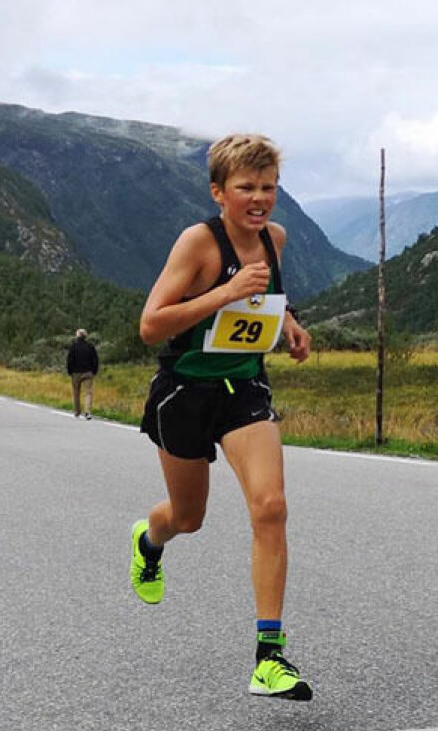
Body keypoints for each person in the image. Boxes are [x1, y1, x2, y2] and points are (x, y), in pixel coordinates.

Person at [133, 133, 313, 701]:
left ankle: (269, 657)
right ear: (219, 192)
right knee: (188, 517)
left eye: (268, 187)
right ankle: (149, 541)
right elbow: (151, 325)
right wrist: (227, 291)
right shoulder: (199, 244)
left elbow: (262, 302)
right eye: (246, 188)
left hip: (243, 389)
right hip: (184, 392)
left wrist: (289, 326)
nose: (259, 199)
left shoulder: (276, 239)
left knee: (271, 507)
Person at [66, 329, 99, 419]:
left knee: (76, 392)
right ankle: (87, 411)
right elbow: (95, 359)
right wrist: (94, 371)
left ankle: (77, 411)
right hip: (88, 372)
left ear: (77, 336)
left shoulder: (73, 347)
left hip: (76, 373)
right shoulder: (90, 346)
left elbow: (69, 360)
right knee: (88, 392)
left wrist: (69, 371)